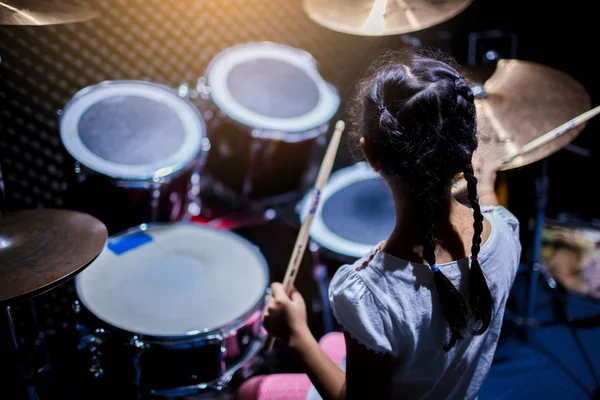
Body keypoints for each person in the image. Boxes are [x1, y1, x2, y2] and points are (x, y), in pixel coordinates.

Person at [237, 50, 522, 400]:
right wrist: (486, 179)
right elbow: (489, 203)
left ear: (369, 154)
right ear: (468, 146)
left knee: (252, 389)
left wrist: (295, 334)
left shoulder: (369, 294)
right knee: (332, 342)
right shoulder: (506, 233)